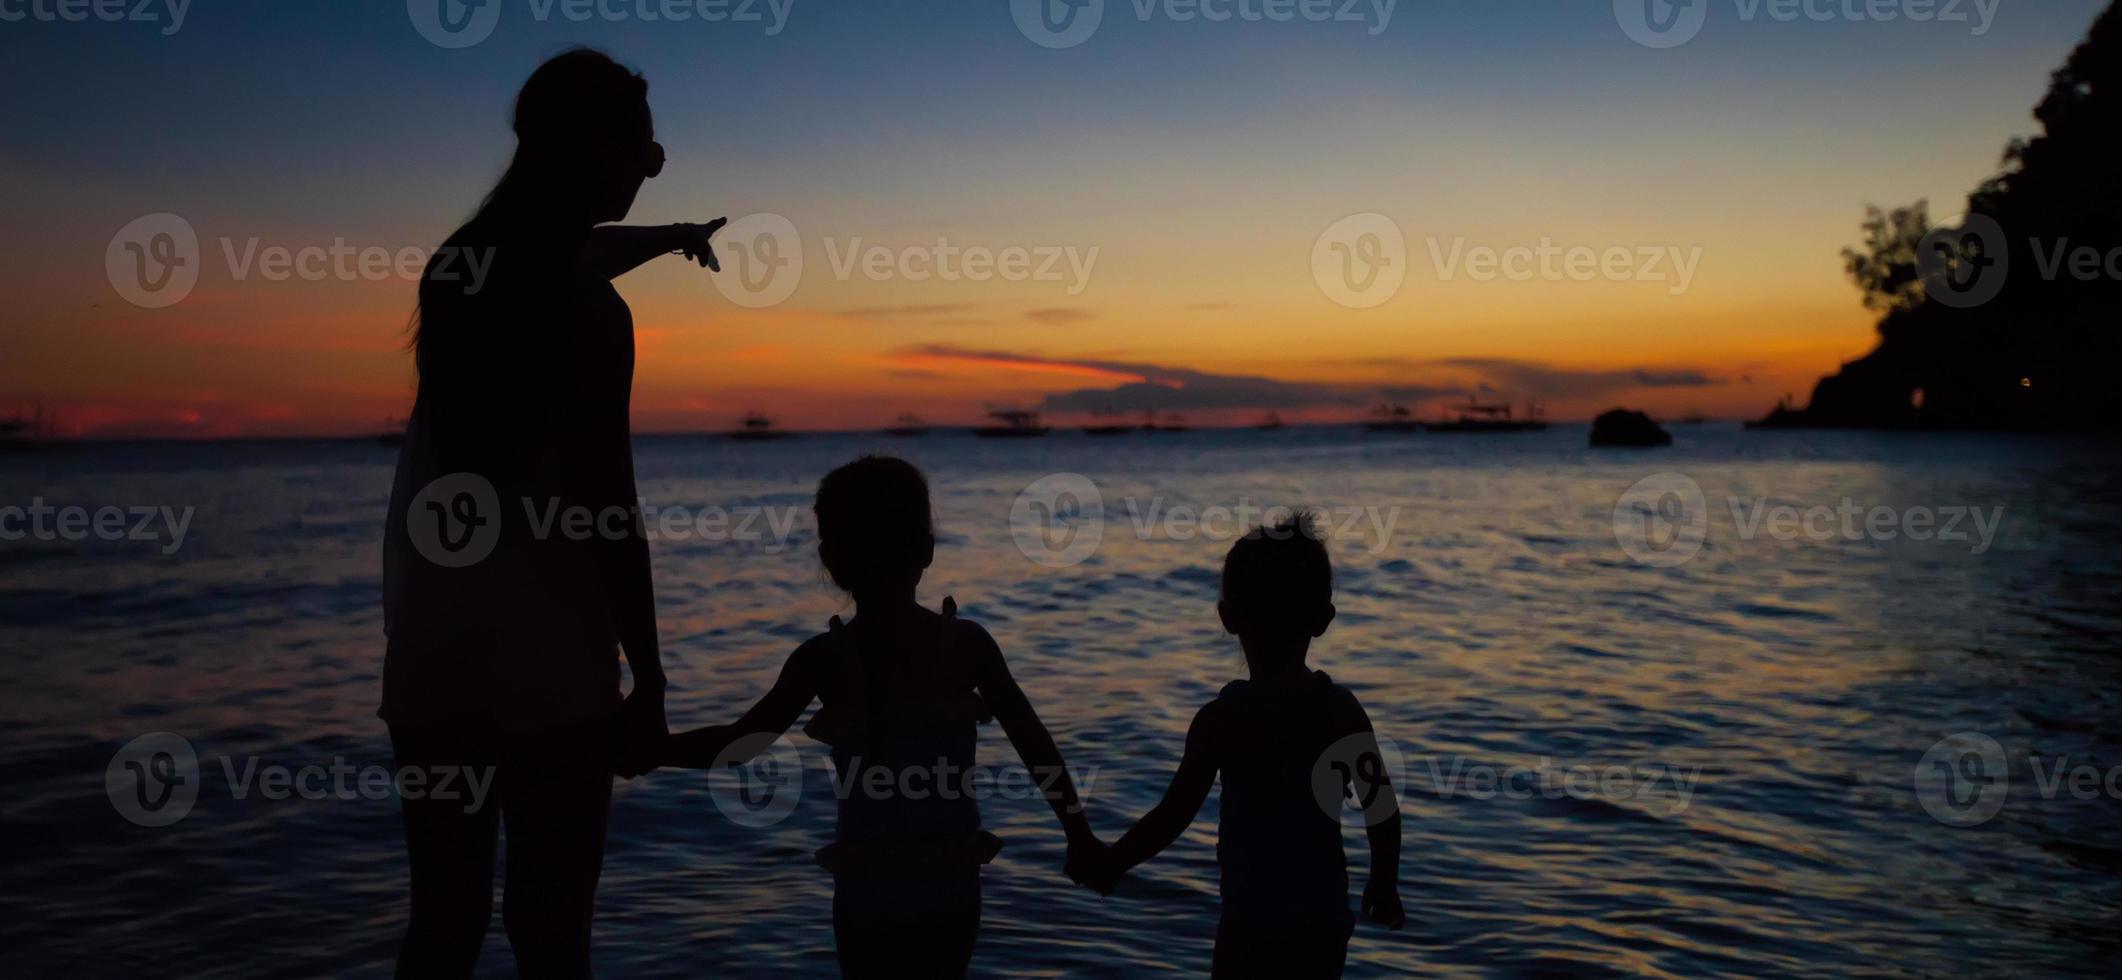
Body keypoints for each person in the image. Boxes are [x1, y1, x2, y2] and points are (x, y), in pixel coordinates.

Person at [380, 48, 725, 978]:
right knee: (551, 932)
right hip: (547, 662)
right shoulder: (593, 314)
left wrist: (666, 232)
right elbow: (607, 506)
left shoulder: (458, 272)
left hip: (430, 651)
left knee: (441, 923)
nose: (652, 165)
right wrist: (648, 679)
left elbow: (553, 252)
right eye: (645, 150)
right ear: (598, 150)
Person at [657, 456, 1105, 978]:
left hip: (868, 890)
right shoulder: (965, 646)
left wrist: (647, 750)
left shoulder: (822, 659)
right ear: (927, 550)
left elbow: (738, 745)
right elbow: (1035, 744)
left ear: (832, 562)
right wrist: (1080, 837)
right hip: (949, 887)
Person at [1079, 512, 1405, 979]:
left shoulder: (1221, 721)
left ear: (1227, 617)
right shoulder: (1339, 711)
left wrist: (1113, 861)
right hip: (1321, 923)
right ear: (1323, 619)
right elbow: (1381, 809)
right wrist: (1384, 881)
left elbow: (1172, 816)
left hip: (1249, 923)